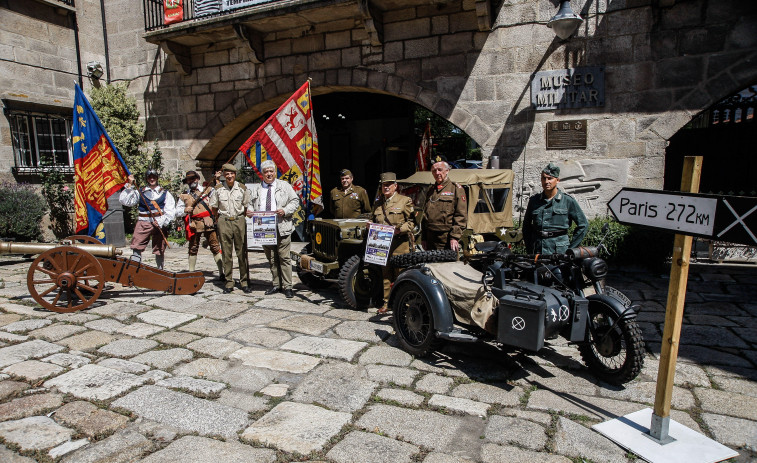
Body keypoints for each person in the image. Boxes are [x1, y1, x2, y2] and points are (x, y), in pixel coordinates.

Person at [250, 160, 299, 298]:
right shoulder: (257, 189)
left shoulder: (284, 186)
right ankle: (276, 285)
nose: (269, 174)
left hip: (282, 225)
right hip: (265, 227)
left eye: (271, 171)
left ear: (275, 171)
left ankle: (288, 287)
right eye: (266, 172)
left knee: (284, 257)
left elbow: (295, 201)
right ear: (262, 174)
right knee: (272, 258)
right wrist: (249, 211)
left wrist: (285, 210)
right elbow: (250, 204)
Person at [371, 172, 415, 314]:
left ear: (395, 186)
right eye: (384, 185)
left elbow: (412, 223)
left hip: (399, 244)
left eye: (389, 184)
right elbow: (373, 220)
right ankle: (387, 303)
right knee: (386, 275)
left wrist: (400, 230)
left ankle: (403, 304)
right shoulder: (378, 203)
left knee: (401, 275)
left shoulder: (405, 201)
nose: (386, 187)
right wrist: (369, 225)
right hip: (382, 246)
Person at [523, 162, 588, 254]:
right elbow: (526, 226)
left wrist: (571, 248)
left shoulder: (567, 201)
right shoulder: (534, 201)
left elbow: (583, 225)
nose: (546, 182)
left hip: (560, 251)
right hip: (538, 250)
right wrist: (530, 248)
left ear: (557, 180)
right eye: (544, 178)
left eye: (550, 178)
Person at [119, 169, 175, 270]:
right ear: (147, 179)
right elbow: (125, 201)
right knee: (136, 246)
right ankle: (133, 273)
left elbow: (170, 211)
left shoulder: (165, 193)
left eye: (154, 177)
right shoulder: (139, 192)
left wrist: (162, 221)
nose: (152, 179)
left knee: (160, 248)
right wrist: (129, 185)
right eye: (149, 177)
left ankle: (160, 271)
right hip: (143, 223)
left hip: (159, 223)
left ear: (157, 178)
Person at [210, 163, 252, 294]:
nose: (229, 176)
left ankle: (244, 281)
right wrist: (219, 221)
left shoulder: (242, 188)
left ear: (235, 175)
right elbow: (214, 207)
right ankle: (229, 282)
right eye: (227, 174)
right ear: (223, 175)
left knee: (242, 252)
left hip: (239, 220)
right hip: (224, 221)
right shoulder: (218, 189)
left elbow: (245, 206)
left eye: (232, 174)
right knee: (226, 253)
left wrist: (241, 216)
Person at [176, 170, 224, 278]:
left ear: (197, 179)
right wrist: (185, 209)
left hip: (208, 221)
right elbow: (177, 212)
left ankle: (221, 273)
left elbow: (220, 194)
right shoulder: (184, 195)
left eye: (193, 178)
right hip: (194, 223)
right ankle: (191, 272)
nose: (191, 181)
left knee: (215, 246)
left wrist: (217, 180)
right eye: (189, 179)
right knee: (193, 248)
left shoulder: (208, 190)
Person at [422, 155, 467, 251]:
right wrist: (424, 238)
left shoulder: (455, 189)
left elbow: (461, 216)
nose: (437, 173)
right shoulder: (431, 191)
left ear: (447, 171)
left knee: (447, 265)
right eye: (434, 170)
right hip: (430, 239)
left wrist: (454, 237)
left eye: (440, 169)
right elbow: (425, 216)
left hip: (446, 239)